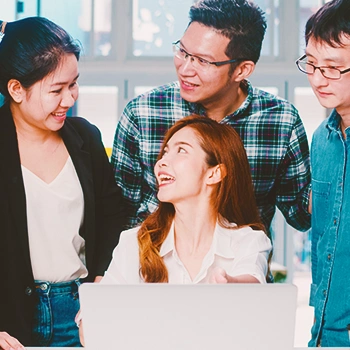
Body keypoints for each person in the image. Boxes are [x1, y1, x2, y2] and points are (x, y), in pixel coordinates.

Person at [112, 0, 311, 235]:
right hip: (153, 266)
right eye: (183, 52)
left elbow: (300, 216)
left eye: (203, 61)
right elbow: (118, 213)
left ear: (242, 70)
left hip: (241, 268)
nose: (185, 69)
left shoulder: (281, 121)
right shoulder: (143, 112)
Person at [0, 17, 125, 349]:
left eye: (74, 84)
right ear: (16, 89)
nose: (70, 99)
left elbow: (113, 217)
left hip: (79, 310)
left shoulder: (85, 136)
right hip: (9, 320)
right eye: (56, 90)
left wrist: (101, 281)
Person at [102, 115, 271, 285]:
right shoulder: (134, 243)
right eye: (165, 152)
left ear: (214, 174)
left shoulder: (249, 241)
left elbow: (251, 281)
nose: (161, 162)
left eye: (181, 150)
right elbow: (100, 307)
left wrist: (230, 283)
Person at [296, 0, 350, 347]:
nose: (317, 79)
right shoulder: (322, 140)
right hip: (325, 332)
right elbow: (323, 242)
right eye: (311, 64)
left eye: (332, 68)